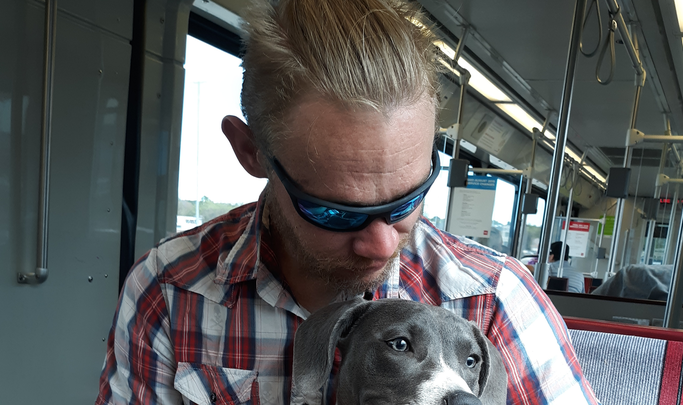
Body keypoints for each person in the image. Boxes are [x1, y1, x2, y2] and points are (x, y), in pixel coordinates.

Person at [95, 0, 598, 403]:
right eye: (335, 211)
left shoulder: (496, 300)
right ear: (252, 153)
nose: (382, 245)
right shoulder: (170, 291)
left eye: (408, 199)